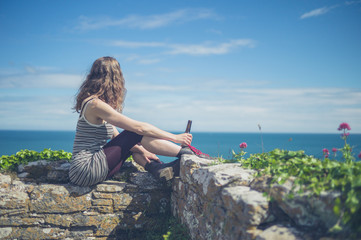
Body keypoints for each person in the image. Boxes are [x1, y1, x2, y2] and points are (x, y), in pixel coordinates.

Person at [69, 56, 210, 187]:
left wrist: (143, 150)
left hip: (89, 171)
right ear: (114, 78)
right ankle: (186, 152)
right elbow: (139, 129)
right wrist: (175, 137)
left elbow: (117, 138)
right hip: (85, 169)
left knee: (135, 143)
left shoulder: (97, 104)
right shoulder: (95, 104)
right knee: (133, 133)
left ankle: (157, 169)